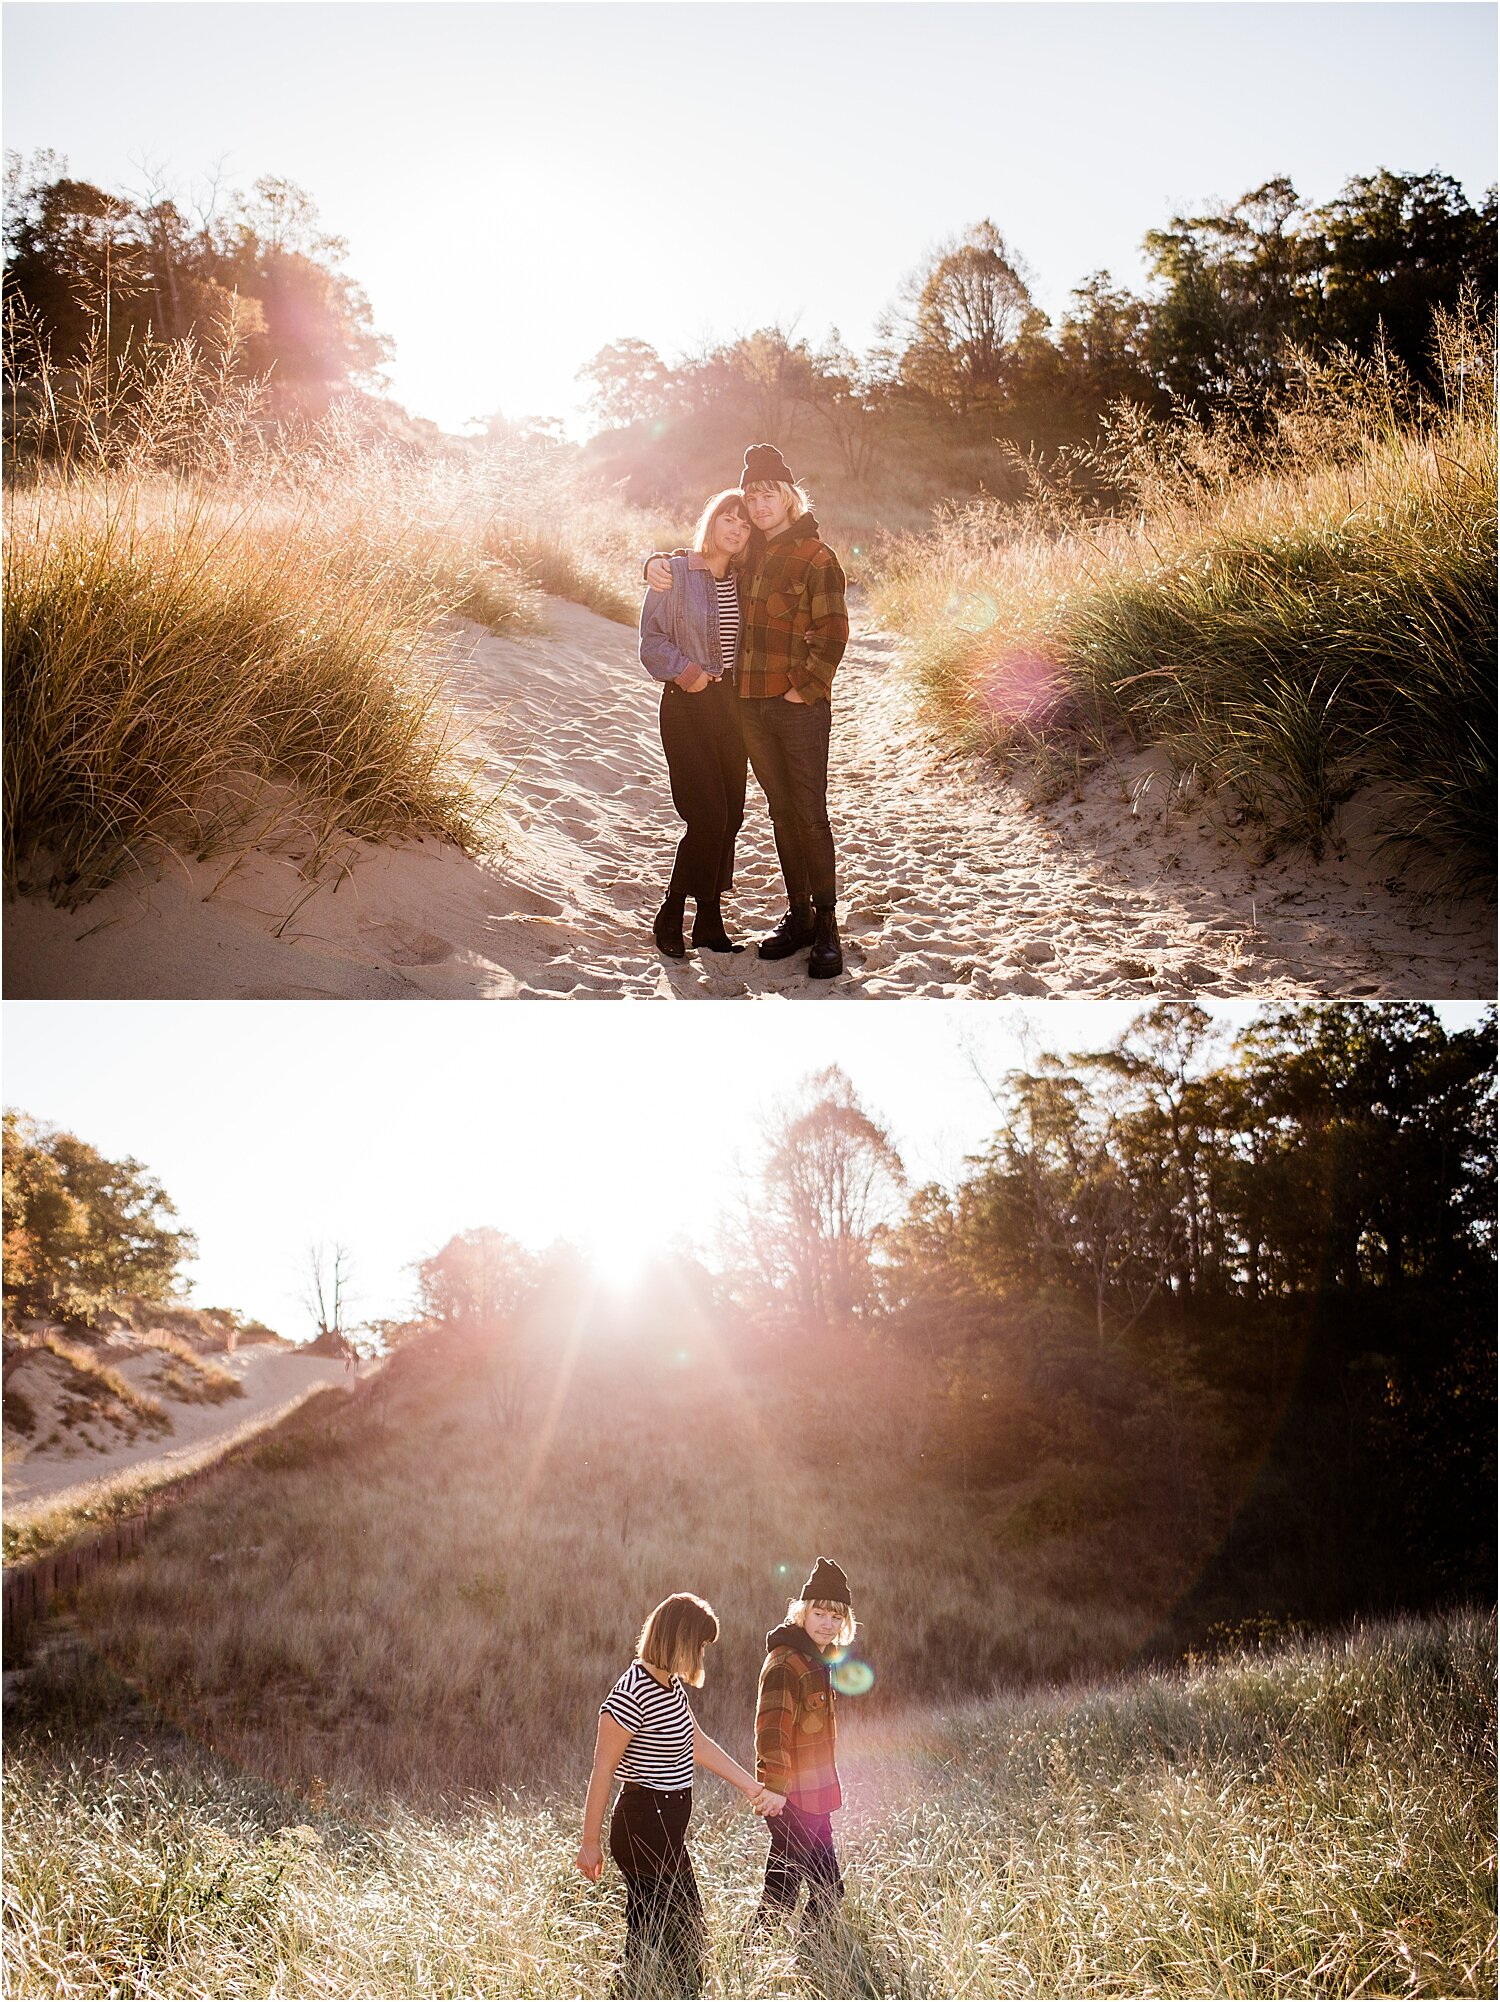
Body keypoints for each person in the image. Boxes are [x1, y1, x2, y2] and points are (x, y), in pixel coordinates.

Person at [646, 445, 850, 978]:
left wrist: (805, 688)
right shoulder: (725, 560)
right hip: (729, 710)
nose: (754, 510)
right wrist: (652, 565)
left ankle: (821, 927)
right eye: (748, 498)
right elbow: (686, 576)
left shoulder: (806, 557)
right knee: (763, 815)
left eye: (766, 496)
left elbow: (831, 633)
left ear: (787, 497)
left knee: (797, 815)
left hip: (783, 708)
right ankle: (786, 916)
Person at [576, 1591, 782, 1996]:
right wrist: (589, 1843)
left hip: (664, 1830)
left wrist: (753, 1788)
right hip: (642, 1827)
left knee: (670, 1937)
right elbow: (602, 1771)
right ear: (679, 1640)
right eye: (700, 1646)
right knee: (665, 1938)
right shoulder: (630, 1692)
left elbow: (698, 1743)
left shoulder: (670, 1686)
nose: (701, 1656)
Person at [638, 490, 753, 959]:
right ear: (712, 521)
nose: (736, 529)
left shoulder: (746, 580)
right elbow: (651, 642)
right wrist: (689, 676)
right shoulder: (676, 572)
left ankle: (708, 921)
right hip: (687, 705)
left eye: (745, 525)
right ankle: (671, 911)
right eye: (728, 519)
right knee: (706, 816)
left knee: (731, 817)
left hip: (732, 710)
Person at [750, 1556, 856, 1933]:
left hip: (816, 1798)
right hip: (792, 1801)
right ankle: (753, 1962)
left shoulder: (816, 1662)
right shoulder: (786, 1663)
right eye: (820, 1614)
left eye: (837, 1617)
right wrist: (775, 1788)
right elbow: (772, 1730)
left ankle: (812, 1961)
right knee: (783, 1895)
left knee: (827, 1892)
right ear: (802, 1613)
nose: (828, 1624)